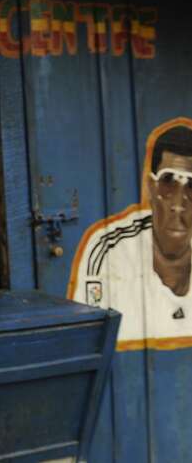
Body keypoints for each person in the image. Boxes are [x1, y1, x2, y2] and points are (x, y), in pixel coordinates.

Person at [71, 124, 192, 347]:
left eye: (191, 186)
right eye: (168, 182)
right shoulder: (108, 249)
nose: (178, 204)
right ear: (151, 188)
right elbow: (86, 343)